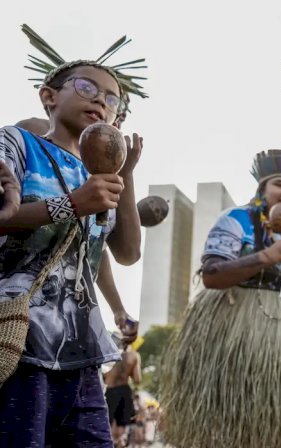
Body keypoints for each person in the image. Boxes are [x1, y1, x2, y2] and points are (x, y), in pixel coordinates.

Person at [0, 24, 146, 446]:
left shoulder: (98, 173)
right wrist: (72, 204)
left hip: (81, 352)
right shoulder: (18, 144)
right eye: (87, 87)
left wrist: (126, 175)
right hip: (18, 337)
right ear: (49, 96)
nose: (101, 99)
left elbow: (128, 253)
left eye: (113, 99)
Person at [159, 143, 281, 448]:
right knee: (224, 421)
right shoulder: (235, 220)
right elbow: (211, 276)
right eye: (280, 184)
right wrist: (267, 256)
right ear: (262, 188)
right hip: (231, 329)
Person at [104, 340, 142, 448]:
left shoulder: (108, 352)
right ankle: (120, 443)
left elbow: (102, 374)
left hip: (109, 390)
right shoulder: (134, 356)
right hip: (124, 390)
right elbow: (137, 379)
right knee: (122, 428)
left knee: (108, 424)